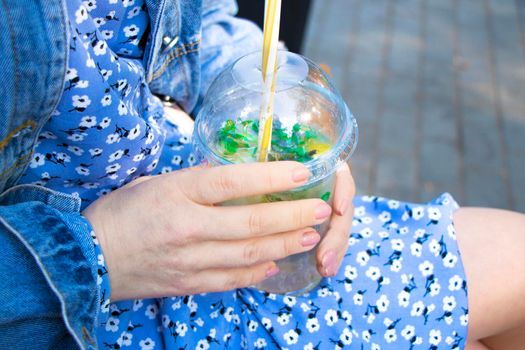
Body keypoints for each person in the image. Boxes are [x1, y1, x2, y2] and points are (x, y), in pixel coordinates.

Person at [0, 0, 523, 349]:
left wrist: (277, 94)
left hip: (207, 182)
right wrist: (98, 251)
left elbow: (202, 24)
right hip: (70, 296)